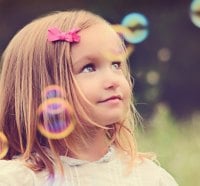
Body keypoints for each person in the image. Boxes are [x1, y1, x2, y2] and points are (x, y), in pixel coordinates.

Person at [0, 9, 178, 186]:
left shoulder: (149, 178)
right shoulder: (17, 179)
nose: (113, 80)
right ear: (44, 89)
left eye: (116, 64)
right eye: (89, 68)